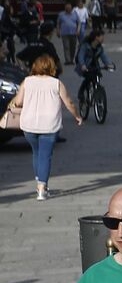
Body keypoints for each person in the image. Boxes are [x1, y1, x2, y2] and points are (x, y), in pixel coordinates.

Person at [15, 52, 83, 200]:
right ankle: (42, 188)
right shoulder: (56, 83)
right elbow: (69, 102)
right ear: (52, 67)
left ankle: (39, 180)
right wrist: (77, 116)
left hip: (29, 125)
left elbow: (18, 102)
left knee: (36, 153)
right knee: (45, 156)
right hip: (49, 125)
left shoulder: (27, 81)